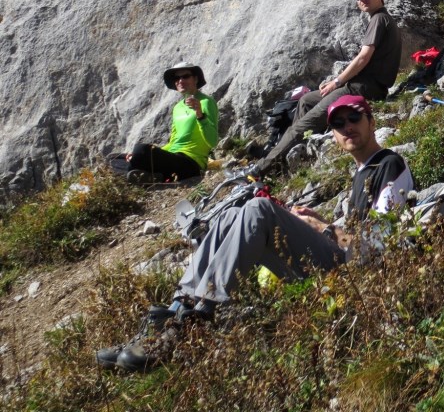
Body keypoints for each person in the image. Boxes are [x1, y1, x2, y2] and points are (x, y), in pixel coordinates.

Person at [96, 95, 414, 373]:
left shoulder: (389, 165)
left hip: (358, 278)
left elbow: (379, 243)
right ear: (332, 136)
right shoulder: (363, 173)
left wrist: (323, 228)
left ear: (372, 121)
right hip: (340, 267)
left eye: (355, 117)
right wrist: (318, 220)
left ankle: (200, 314)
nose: (347, 127)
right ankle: (177, 311)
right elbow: (356, 232)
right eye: (339, 123)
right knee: (234, 213)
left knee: (259, 210)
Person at [250, 0, 402, 176]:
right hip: (362, 85)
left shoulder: (379, 18)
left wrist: (337, 82)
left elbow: (363, 58)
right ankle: (286, 152)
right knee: (305, 100)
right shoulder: (381, 19)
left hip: (362, 88)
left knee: (300, 127)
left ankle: (261, 170)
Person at [109, 63, 219, 182]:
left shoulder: (206, 102)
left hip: (191, 163)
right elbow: (173, 142)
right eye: (177, 78)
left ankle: (136, 175)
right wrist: (147, 154)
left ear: (196, 79)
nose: (180, 81)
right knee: (113, 158)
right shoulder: (177, 108)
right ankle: (150, 176)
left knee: (141, 149)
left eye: (186, 76)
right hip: (173, 159)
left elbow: (212, 141)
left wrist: (199, 114)